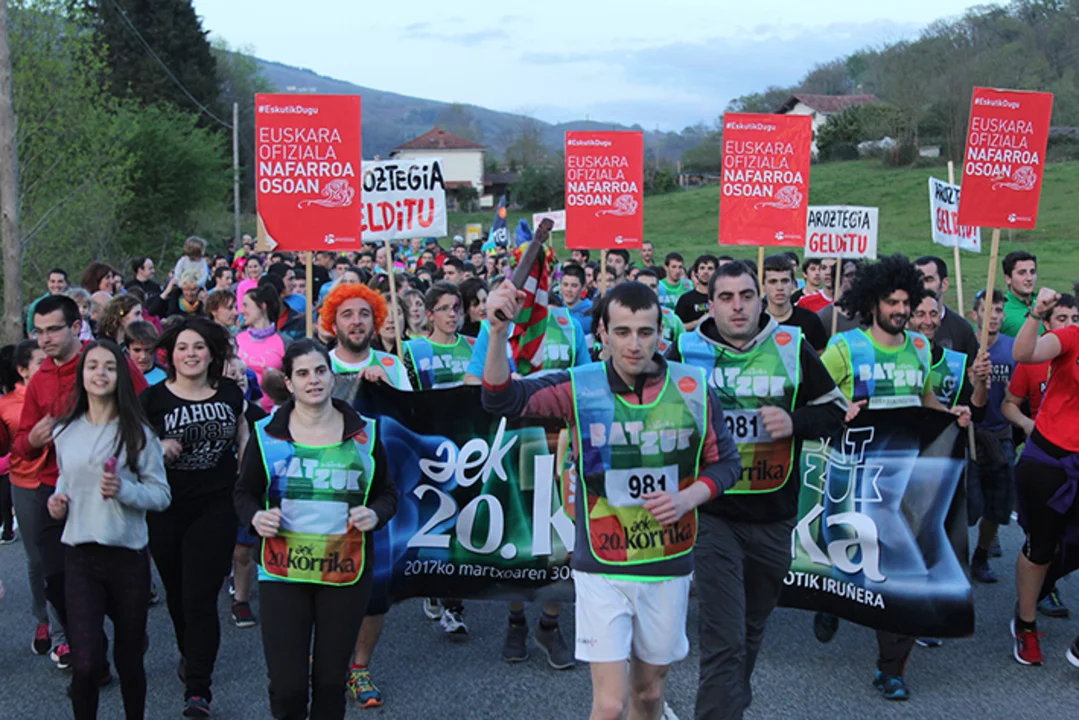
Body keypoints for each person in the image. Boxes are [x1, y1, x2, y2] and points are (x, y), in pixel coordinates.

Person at [482, 280, 741, 720]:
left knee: (648, 695)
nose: (634, 345)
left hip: (667, 562)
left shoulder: (693, 387)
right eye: (622, 332)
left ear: (662, 333)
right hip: (601, 564)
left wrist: (686, 499)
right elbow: (501, 399)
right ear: (602, 332)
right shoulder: (579, 387)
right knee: (609, 704)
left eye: (645, 332)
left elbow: (727, 464)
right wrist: (496, 333)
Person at [666, 260, 846, 719]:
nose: (738, 306)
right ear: (709, 305)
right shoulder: (685, 349)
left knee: (749, 628)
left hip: (774, 514)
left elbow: (835, 412)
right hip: (712, 513)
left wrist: (794, 421)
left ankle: (732, 703)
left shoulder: (791, 345)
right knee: (723, 637)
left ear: (761, 300)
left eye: (746, 296)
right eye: (726, 298)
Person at [814, 254, 972, 701]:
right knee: (845, 554)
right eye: (892, 302)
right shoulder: (846, 348)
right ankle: (832, 598)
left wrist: (952, 416)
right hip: (852, 477)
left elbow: (927, 401)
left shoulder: (920, 349)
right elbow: (813, 398)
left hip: (903, 482)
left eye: (907, 302)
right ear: (873, 303)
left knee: (899, 570)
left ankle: (890, 669)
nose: (902, 310)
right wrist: (840, 408)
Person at [235, 340, 397, 720]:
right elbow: (243, 492)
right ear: (288, 383)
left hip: (345, 571)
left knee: (329, 683)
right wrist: (256, 517)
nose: (314, 380)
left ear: (332, 376)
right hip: (283, 571)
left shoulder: (365, 433)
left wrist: (375, 514)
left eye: (321, 371)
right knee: (288, 687)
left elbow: (388, 493)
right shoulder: (266, 434)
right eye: (303, 373)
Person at [14, 296, 148, 672]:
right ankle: (91, 649)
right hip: (56, 488)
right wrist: (34, 440)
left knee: (116, 578)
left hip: (109, 483)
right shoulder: (40, 379)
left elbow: (145, 406)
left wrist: (150, 450)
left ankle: (126, 630)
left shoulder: (105, 360)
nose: (44, 339)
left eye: (53, 330)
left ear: (76, 327)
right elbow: (21, 443)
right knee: (55, 577)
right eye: (38, 332)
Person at [51, 340, 170, 720]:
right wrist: (58, 499)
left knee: (129, 658)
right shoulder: (64, 431)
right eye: (92, 366)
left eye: (109, 366)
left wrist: (125, 490)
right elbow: (67, 478)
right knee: (86, 663)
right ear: (81, 375)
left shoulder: (138, 434)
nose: (100, 373)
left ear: (120, 376)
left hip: (127, 556)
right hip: (80, 555)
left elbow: (161, 495)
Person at [139, 316, 248, 718]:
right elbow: (132, 445)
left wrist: (246, 468)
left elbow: (244, 431)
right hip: (167, 507)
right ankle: (189, 652)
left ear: (211, 353)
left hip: (216, 505)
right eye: (182, 347)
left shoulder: (230, 392)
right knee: (178, 595)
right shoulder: (152, 399)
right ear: (169, 355)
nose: (191, 354)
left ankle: (199, 689)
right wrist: (156, 445)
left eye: (199, 347)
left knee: (200, 596)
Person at [318, 283, 409, 708]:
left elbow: (413, 421)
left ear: (376, 321)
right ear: (332, 322)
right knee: (323, 584)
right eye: (347, 314)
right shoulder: (317, 364)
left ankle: (359, 668)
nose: (356, 322)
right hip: (322, 492)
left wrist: (389, 388)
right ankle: (327, 660)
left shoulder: (392, 363)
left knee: (375, 590)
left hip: (378, 495)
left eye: (364, 314)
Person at [1010, 286, 1079, 669]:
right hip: (1049, 460)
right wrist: (1036, 314)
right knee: (1041, 548)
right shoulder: (1070, 337)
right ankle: (1026, 623)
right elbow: (1025, 354)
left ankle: (1042, 591)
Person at [0, 339, 65, 658]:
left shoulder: (60, 392)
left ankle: (63, 632)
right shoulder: (5, 404)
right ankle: (43, 619)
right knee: (37, 559)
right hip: (25, 483)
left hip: (61, 482)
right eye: (40, 362)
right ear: (22, 370)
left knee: (62, 555)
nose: (47, 366)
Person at [966, 289, 1016, 584]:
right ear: (975, 314)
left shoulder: (1012, 350)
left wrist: (1013, 394)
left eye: (998, 311)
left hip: (1000, 434)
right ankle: (953, 553)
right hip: (969, 433)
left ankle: (981, 554)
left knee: (997, 505)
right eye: (987, 310)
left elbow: (1020, 395)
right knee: (966, 503)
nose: (993, 316)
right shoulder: (966, 345)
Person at [402, 282, 475, 389]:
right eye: (444, 308)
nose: (452, 314)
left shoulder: (473, 346)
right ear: (430, 314)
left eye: (455, 308)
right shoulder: (412, 350)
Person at [913, 256, 979, 359]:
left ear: (944, 284)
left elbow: (971, 367)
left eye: (929, 280)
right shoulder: (901, 327)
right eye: (917, 280)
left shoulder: (962, 329)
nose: (923, 286)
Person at [237, 285, 290, 413]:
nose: (241, 311)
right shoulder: (237, 339)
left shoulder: (284, 342)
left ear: (262, 306)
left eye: (246, 305)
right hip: (244, 411)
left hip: (275, 412)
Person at [761, 254, 827, 351]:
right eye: (773, 282)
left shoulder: (810, 320)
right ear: (763, 286)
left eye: (785, 281)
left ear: (793, 284)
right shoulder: (755, 322)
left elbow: (820, 356)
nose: (779, 287)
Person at [637, 269, 685, 354]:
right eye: (643, 286)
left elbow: (683, 347)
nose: (649, 290)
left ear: (658, 289)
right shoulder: (624, 317)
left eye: (653, 286)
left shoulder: (672, 318)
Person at [816, 260, 862, 339]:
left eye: (857, 275)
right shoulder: (824, 317)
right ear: (837, 279)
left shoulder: (870, 316)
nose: (854, 279)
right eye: (849, 275)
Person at [675, 254, 716, 332]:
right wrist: (697, 322)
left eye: (710, 268)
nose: (706, 272)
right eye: (702, 268)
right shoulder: (685, 299)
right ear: (696, 273)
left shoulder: (722, 297)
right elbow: (677, 328)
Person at [1001, 250, 1037, 337]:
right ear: (1008, 278)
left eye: (1032, 272)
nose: (1029, 278)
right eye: (1022, 273)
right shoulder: (999, 308)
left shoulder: (1046, 302)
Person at [26, 268, 70, 336]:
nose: (56, 285)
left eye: (60, 281)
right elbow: (30, 331)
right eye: (52, 281)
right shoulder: (37, 304)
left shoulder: (73, 302)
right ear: (48, 283)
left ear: (66, 283)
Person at [124, 321, 167, 386]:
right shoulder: (121, 376)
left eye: (148, 350)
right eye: (137, 350)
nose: (143, 356)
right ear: (128, 349)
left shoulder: (167, 377)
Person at [560, 264, 594, 340]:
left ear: (583, 287)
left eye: (574, 286)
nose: (569, 289)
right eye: (565, 285)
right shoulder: (554, 307)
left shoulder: (591, 311)